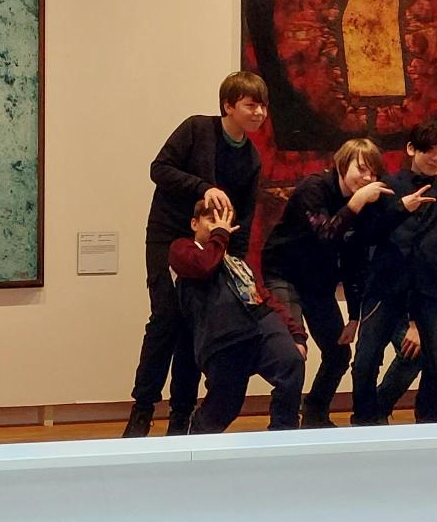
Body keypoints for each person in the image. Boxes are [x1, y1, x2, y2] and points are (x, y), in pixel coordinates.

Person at [124, 71, 271, 438]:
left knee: (194, 328)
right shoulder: (196, 129)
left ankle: (181, 416)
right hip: (170, 235)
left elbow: (243, 219)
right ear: (228, 106)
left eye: (263, 106)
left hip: (213, 246)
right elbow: (159, 169)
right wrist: (203, 188)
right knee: (165, 319)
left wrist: (235, 263)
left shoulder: (251, 158)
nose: (259, 113)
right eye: (251, 105)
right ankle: (142, 409)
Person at [349, 120, 437, 425]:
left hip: (430, 290)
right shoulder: (386, 187)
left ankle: (432, 426)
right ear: (411, 149)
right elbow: (367, 236)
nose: (436, 158)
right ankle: (364, 424)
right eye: (430, 151)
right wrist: (401, 208)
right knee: (365, 361)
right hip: (384, 286)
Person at [261, 138, 395, 428]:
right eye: (361, 169)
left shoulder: (364, 205)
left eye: (373, 173)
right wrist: (356, 203)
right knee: (292, 350)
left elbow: (354, 261)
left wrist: (355, 316)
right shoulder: (314, 188)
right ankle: (282, 426)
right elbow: (325, 234)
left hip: (318, 282)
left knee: (338, 353)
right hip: (284, 273)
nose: (368, 178)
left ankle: (315, 413)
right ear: (342, 164)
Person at [169, 198, 307, 434]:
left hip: (261, 322)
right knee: (224, 407)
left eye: (224, 221)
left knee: (291, 364)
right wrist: (220, 235)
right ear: (194, 223)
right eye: (211, 219)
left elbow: (264, 296)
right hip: (224, 335)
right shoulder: (181, 249)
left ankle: (283, 437)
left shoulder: (235, 261)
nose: (218, 225)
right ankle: (197, 441)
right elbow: (203, 266)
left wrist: (296, 334)